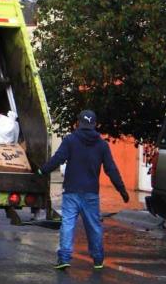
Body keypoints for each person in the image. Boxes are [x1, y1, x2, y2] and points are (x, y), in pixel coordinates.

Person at [38, 110, 129, 270]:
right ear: (95, 124)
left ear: (78, 123)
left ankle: (64, 258)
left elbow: (58, 159)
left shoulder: (70, 140)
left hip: (72, 191)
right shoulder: (102, 145)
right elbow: (111, 169)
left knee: (67, 224)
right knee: (94, 226)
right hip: (91, 193)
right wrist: (122, 190)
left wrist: (42, 170)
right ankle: (98, 259)